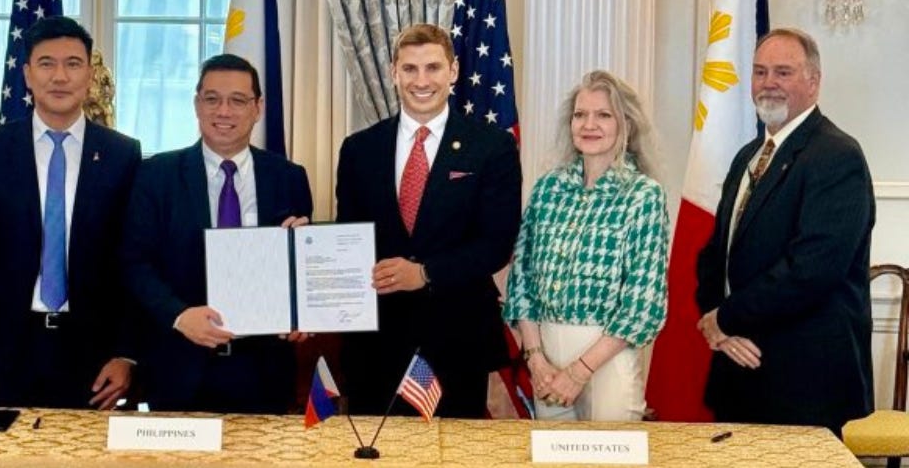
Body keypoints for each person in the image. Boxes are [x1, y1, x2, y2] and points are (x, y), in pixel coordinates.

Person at [0, 16, 141, 409]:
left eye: (73, 64)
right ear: (27, 74)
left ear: (89, 74)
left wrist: (126, 353)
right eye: (46, 63)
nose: (60, 76)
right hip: (6, 349)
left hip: (93, 353)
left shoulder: (122, 154)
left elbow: (132, 264)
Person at [335, 23, 522, 418]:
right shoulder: (359, 149)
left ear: (453, 71)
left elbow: (497, 244)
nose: (421, 81)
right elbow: (347, 240)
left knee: (453, 449)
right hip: (376, 344)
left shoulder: (492, 147)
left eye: (433, 68)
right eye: (410, 69)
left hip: (457, 341)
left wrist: (424, 273)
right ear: (393, 72)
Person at [696, 28, 874, 436]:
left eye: (783, 72)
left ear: (814, 81)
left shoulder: (837, 155)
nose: (768, 83)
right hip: (737, 369)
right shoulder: (748, 156)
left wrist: (726, 317)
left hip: (804, 383)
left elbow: (812, 269)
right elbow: (715, 254)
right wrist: (717, 326)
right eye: (760, 72)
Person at [121, 54, 313, 413]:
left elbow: (301, 267)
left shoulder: (288, 177)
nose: (223, 111)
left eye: (238, 100)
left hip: (264, 370)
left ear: (258, 108)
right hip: (179, 367)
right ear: (197, 104)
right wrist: (180, 316)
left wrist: (301, 312)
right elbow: (135, 263)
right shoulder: (156, 175)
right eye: (212, 99)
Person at [503, 70, 669, 421]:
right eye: (580, 114)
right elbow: (522, 281)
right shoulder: (548, 189)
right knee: (550, 453)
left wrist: (578, 372)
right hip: (545, 360)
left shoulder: (643, 195)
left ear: (625, 124)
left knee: (611, 451)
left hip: (608, 358)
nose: (589, 124)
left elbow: (643, 303)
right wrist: (535, 358)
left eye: (603, 115)